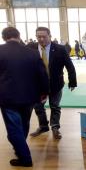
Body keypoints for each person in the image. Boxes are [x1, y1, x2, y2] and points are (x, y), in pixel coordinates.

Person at [0, 27, 49, 167]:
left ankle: (25, 158)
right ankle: (20, 148)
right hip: (29, 97)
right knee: (23, 125)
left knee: (14, 129)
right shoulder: (33, 53)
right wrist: (44, 92)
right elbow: (43, 75)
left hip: (8, 97)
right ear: (19, 36)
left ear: (4, 37)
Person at [28, 27, 77, 139]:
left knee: (55, 106)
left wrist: (72, 81)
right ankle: (43, 126)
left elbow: (69, 66)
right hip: (37, 85)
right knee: (38, 106)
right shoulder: (30, 48)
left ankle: (55, 127)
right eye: (38, 36)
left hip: (56, 83)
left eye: (44, 36)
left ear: (50, 36)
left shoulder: (60, 49)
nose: (41, 39)